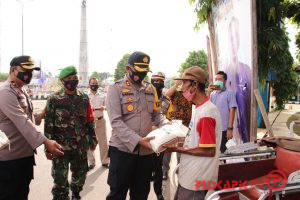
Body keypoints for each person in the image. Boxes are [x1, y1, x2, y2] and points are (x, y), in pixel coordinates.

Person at [106, 51, 168, 200]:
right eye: (139, 71)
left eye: (145, 72)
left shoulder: (150, 89)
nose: (142, 75)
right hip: (122, 151)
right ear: (128, 69)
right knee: (117, 194)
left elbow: (156, 114)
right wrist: (138, 140)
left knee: (141, 194)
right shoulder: (115, 89)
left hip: (146, 154)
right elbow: (116, 122)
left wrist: (166, 123)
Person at [0, 55, 64, 200]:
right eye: (26, 70)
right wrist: (46, 141)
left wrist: (40, 115)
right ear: (14, 70)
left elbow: (27, 117)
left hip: (24, 157)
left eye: (32, 70)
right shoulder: (5, 91)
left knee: (22, 194)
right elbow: (21, 120)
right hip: (9, 160)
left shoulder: (21, 91)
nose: (29, 74)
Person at [163, 66, 222, 200]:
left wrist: (176, 149)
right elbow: (195, 139)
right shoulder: (199, 109)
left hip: (196, 180)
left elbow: (208, 151)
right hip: (189, 175)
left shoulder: (206, 113)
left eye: (184, 83)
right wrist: (176, 142)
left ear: (194, 85)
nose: (182, 88)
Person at [44, 66, 97, 200]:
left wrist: (93, 140)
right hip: (60, 147)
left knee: (80, 175)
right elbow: (49, 124)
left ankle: (75, 194)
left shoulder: (84, 98)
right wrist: (47, 147)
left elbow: (90, 120)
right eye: (69, 79)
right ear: (62, 81)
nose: (73, 81)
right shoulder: (54, 99)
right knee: (59, 179)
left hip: (80, 146)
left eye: (75, 78)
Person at [224, 16, 251, 143]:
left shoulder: (246, 70)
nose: (234, 41)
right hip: (228, 134)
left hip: (244, 136)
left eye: (237, 36)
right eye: (231, 37)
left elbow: (249, 106)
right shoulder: (222, 72)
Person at [162, 80, 192, 180]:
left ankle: (180, 171)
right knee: (168, 151)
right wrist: (176, 84)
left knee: (181, 151)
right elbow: (166, 95)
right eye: (182, 82)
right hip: (172, 125)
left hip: (184, 126)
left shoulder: (190, 94)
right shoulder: (175, 92)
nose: (183, 83)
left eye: (185, 81)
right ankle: (165, 171)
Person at [151, 71, 174, 200]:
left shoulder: (167, 100)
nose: (158, 83)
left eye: (160, 81)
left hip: (160, 139)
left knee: (158, 168)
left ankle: (159, 193)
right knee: (144, 169)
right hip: (146, 138)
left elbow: (169, 118)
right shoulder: (145, 96)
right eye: (155, 81)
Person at [209, 71, 237, 153]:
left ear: (225, 81)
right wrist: (208, 92)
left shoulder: (229, 93)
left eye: (220, 79)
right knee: (214, 151)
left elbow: (232, 110)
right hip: (213, 128)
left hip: (224, 129)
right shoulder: (212, 94)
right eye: (216, 79)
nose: (217, 81)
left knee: (223, 151)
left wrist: (230, 129)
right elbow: (207, 107)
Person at [87, 77, 109, 170]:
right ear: (89, 84)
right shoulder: (86, 96)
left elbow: (108, 105)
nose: (94, 85)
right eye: (92, 83)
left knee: (103, 142)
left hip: (100, 120)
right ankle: (91, 162)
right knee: (90, 142)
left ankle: (105, 161)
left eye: (95, 83)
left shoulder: (102, 95)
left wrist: (103, 107)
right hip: (90, 122)